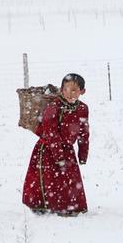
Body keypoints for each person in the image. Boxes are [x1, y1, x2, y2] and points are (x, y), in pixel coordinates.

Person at [22, 73, 90, 216]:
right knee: (49, 177)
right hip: (47, 149)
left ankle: (70, 206)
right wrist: (58, 156)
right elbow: (50, 132)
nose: (69, 94)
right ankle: (42, 205)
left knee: (69, 179)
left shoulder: (82, 108)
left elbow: (84, 131)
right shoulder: (54, 107)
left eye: (74, 90)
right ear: (61, 90)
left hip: (67, 150)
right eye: (66, 90)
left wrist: (83, 152)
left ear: (82, 92)